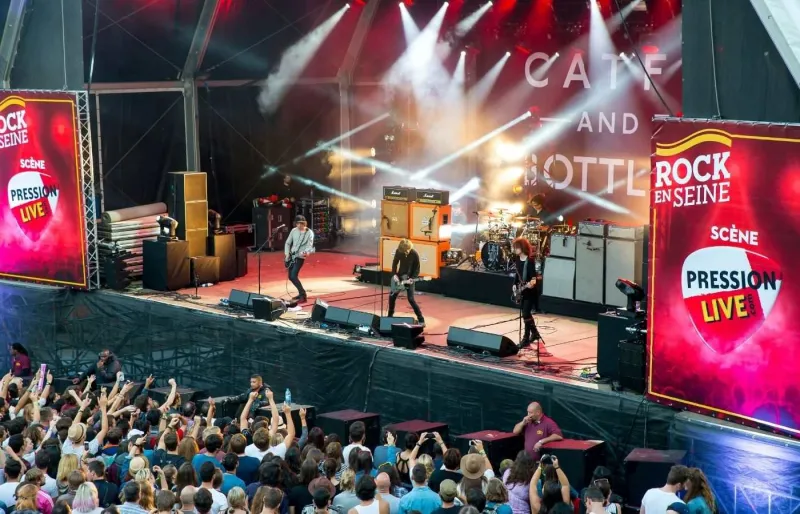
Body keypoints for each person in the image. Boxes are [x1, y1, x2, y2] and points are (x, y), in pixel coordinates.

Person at [510, 238, 541, 349]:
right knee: (526, 314)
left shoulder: (530, 261)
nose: (515, 250)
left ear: (522, 248)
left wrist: (531, 283)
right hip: (522, 291)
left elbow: (533, 278)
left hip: (530, 292)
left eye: (516, 247)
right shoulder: (517, 259)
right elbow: (517, 274)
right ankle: (535, 333)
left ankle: (526, 338)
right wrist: (514, 284)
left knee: (526, 313)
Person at [388, 239, 425, 326]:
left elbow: (417, 269)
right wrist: (394, 275)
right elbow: (394, 263)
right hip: (400, 277)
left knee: (411, 299)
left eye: (407, 250)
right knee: (392, 296)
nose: (406, 252)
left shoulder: (414, 254)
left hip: (410, 279)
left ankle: (421, 319)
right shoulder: (399, 252)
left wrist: (412, 278)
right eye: (404, 251)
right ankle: (389, 317)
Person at [284, 215, 315, 303]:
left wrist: (306, 252)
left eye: (301, 223)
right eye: (297, 223)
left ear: (304, 223)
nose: (299, 225)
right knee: (290, 277)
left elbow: (309, 246)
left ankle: (303, 295)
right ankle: (300, 293)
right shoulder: (293, 231)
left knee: (293, 275)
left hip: (300, 257)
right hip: (291, 256)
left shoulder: (309, 233)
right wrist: (287, 254)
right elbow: (287, 243)